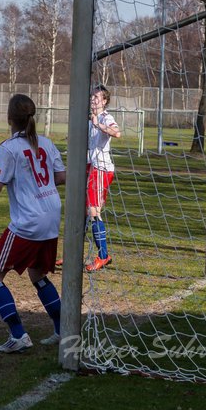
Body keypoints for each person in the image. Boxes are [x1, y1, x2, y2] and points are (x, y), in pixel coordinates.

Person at [0, 94, 66, 352]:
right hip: (52, 216)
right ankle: (63, 329)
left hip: (28, 221)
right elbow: (61, 177)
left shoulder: (7, 148)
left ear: (10, 118)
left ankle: (19, 335)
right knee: (38, 273)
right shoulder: (46, 142)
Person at [86, 85, 121, 272]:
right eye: (92, 96)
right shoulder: (89, 119)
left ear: (105, 101)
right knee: (83, 212)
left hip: (101, 169)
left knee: (94, 211)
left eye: (97, 97)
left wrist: (98, 124)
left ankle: (103, 255)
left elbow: (117, 133)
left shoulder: (106, 117)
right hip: (89, 167)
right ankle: (73, 255)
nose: (93, 99)